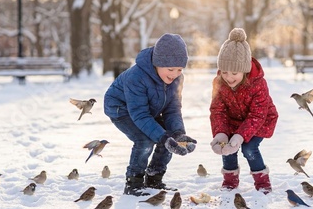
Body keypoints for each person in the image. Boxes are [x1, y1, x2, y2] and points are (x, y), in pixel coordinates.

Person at [104, 33, 197, 196]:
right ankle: (134, 183)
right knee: (145, 139)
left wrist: (178, 133)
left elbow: (172, 109)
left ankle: (154, 178)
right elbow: (139, 114)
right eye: (170, 69)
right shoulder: (136, 77)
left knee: (169, 138)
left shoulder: (176, 79)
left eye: (180, 69)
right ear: (157, 63)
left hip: (146, 110)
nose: (175, 74)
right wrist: (162, 137)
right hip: (121, 108)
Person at [209, 28, 278, 194]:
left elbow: (258, 114)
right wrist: (221, 134)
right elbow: (218, 110)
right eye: (224, 71)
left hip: (260, 122)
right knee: (227, 146)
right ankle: (230, 179)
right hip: (233, 121)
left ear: (245, 70)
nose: (229, 77)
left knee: (248, 148)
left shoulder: (258, 84)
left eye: (234, 72)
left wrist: (241, 136)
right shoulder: (219, 83)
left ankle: (262, 182)